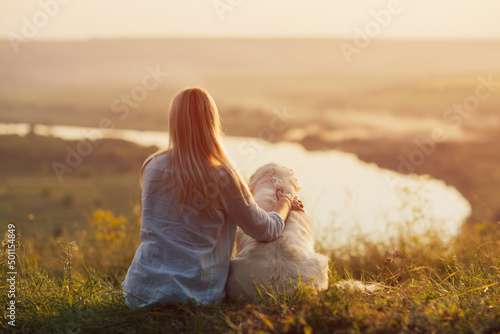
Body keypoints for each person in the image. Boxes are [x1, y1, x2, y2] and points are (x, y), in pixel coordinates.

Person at [122, 87, 303, 308]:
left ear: (174, 122)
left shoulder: (152, 166)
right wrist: (285, 202)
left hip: (140, 291)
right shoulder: (223, 175)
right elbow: (264, 230)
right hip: (195, 294)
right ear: (211, 122)